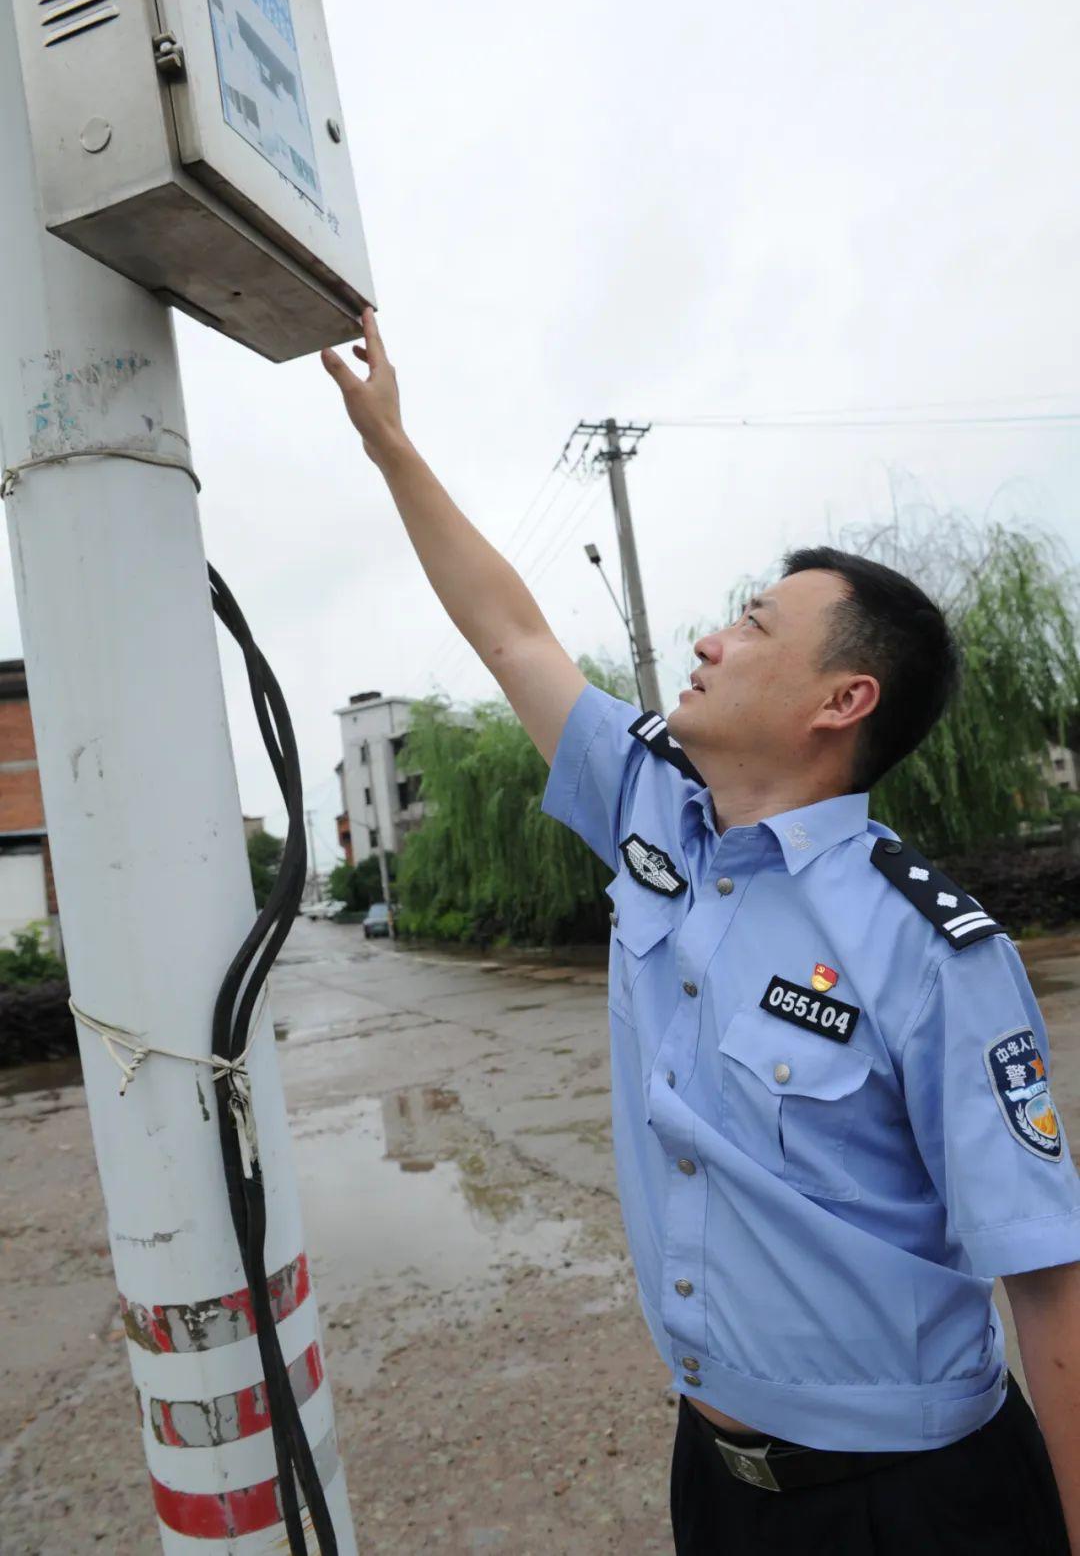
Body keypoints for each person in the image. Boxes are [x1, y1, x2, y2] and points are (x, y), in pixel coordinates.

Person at [321, 310, 1080, 1555]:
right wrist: (390, 446)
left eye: (755, 627)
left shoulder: (926, 945)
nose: (708, 639)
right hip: (716, 1481)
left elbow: (1048, 1270)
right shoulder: (649, 805)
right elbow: (510, 631)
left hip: (912, 1501)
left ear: (844, 702)